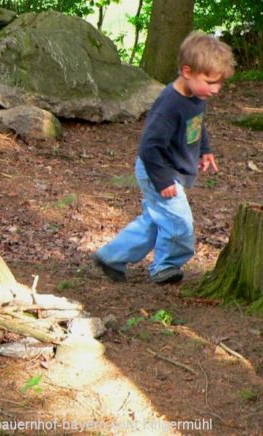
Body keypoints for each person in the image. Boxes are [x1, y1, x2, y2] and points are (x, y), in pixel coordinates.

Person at [93, 31, 235, 284]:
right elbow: (149, 147)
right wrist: (163, 181)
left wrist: (205, 150)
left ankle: (112, 256)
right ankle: (166, 267)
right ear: (187, 71)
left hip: (171, 172)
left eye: (219, 83)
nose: (216, 90)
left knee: (156, 219)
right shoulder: (170, 104)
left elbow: (197, 125)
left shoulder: (196, 97)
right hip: (157, 171)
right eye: (211, 82)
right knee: (180, 222)